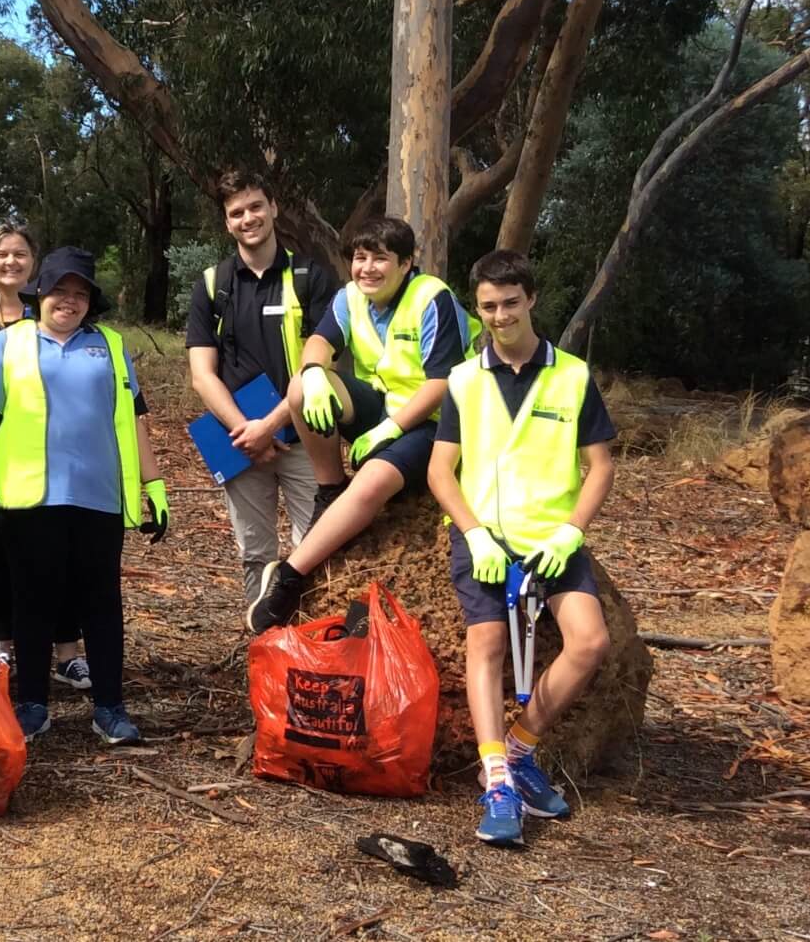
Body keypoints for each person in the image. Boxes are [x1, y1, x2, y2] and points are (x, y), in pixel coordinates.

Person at [425, 249, 615, 848]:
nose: (500, 315)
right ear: (476, 309)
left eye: (510, 302)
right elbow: (439, 470)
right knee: (485, 641)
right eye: (487, 306)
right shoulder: (462, 379)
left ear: (531, 299)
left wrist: (571, 531)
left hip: (550, 538)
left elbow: (601, 465)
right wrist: (474, 531)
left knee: (590, 641)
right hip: (484, 536)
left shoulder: (574, 376)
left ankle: (522, 746)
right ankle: (498, 781)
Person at [0, 247, 170, 746]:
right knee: (33, 604)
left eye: (80, 294)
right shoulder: (6, 345)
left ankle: (110, 708)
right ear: (40, 294)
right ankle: (32, 704)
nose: (69, 301)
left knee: (102, 605)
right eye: (60, 291)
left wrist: (153, 484)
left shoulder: (112, 347)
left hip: (97, 498)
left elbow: (134, 420)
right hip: (28, 501)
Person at [245, 216, 472, 633]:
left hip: (433, 423)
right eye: (360, 257)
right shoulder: (351, 297)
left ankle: (290, 578)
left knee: (370, 481)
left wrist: (391, 431)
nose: (367, 268)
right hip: (380, 407)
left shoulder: (430, 298)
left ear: (406, 264)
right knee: (301, 388)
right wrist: (313, 371)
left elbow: (442, 382)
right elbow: (320, 341)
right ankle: (330, 489)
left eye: (380, 259)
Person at [186, 171, 338, 607]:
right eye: (236, 213)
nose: (248, 218)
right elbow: (202, 374)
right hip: (241, 445)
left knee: (315, 545)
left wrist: (270, 426)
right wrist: (247, 433)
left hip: (306, 437)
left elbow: (324, 361)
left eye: (255, 207)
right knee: (254, 552)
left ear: (273, 207)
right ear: (226, 223)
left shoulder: (310, 277)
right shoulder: (213, 285)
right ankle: (262, 640)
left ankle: (312, 639)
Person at [0, 219, 90, 691]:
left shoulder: (53, 309)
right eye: (1, 254)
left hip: (58, 456)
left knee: (63, 555)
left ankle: (66, 649)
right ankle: (2, 645)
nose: (10, 262)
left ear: (35, 264)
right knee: (1, 548)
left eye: (20, 253)